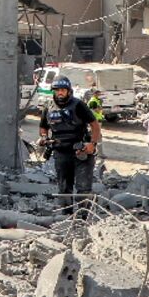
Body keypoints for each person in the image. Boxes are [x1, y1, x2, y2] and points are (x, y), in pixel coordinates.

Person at [38, 77, 101, 216]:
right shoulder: (48, 107)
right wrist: (43, 138)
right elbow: (43, 127)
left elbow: (95, 125)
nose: (60, 93)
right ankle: (67, 217)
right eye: (57, 90)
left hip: (80, 151)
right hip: (61, 153)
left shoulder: (78, 105)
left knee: (83, 188)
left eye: (62, 90)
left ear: (68, 91)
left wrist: (92, 144)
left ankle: (83, 218)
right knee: (64, 188)